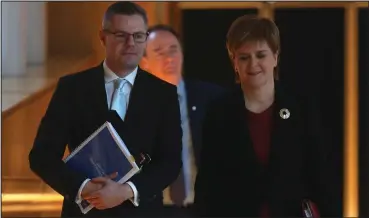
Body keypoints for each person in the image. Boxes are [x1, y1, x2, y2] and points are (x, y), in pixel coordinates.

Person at [28, 2, 182, 217]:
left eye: (138, 36)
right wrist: (85, 188)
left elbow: (170, 162)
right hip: (85, 211)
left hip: (142, 212)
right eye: (121, 35)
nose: (131, 43)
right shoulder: (72, 88)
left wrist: (126, 191)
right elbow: (42, 156)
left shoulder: (163, 93)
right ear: (103, 38)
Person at [193, 15, 341, 217]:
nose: (253, 64)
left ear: (275, 57)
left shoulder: (301, 108)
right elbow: (207, 187)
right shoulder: (219, 112)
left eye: (261, 55)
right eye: (244, 57)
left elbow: (323, 179)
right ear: (234, 62)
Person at [141, 24, 225, 216]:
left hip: (204, 208)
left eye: (174, 50)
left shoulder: (211, 98)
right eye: (159, 52)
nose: (169, 58)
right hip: (154, 209)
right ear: (144, 62)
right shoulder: (133, 107)